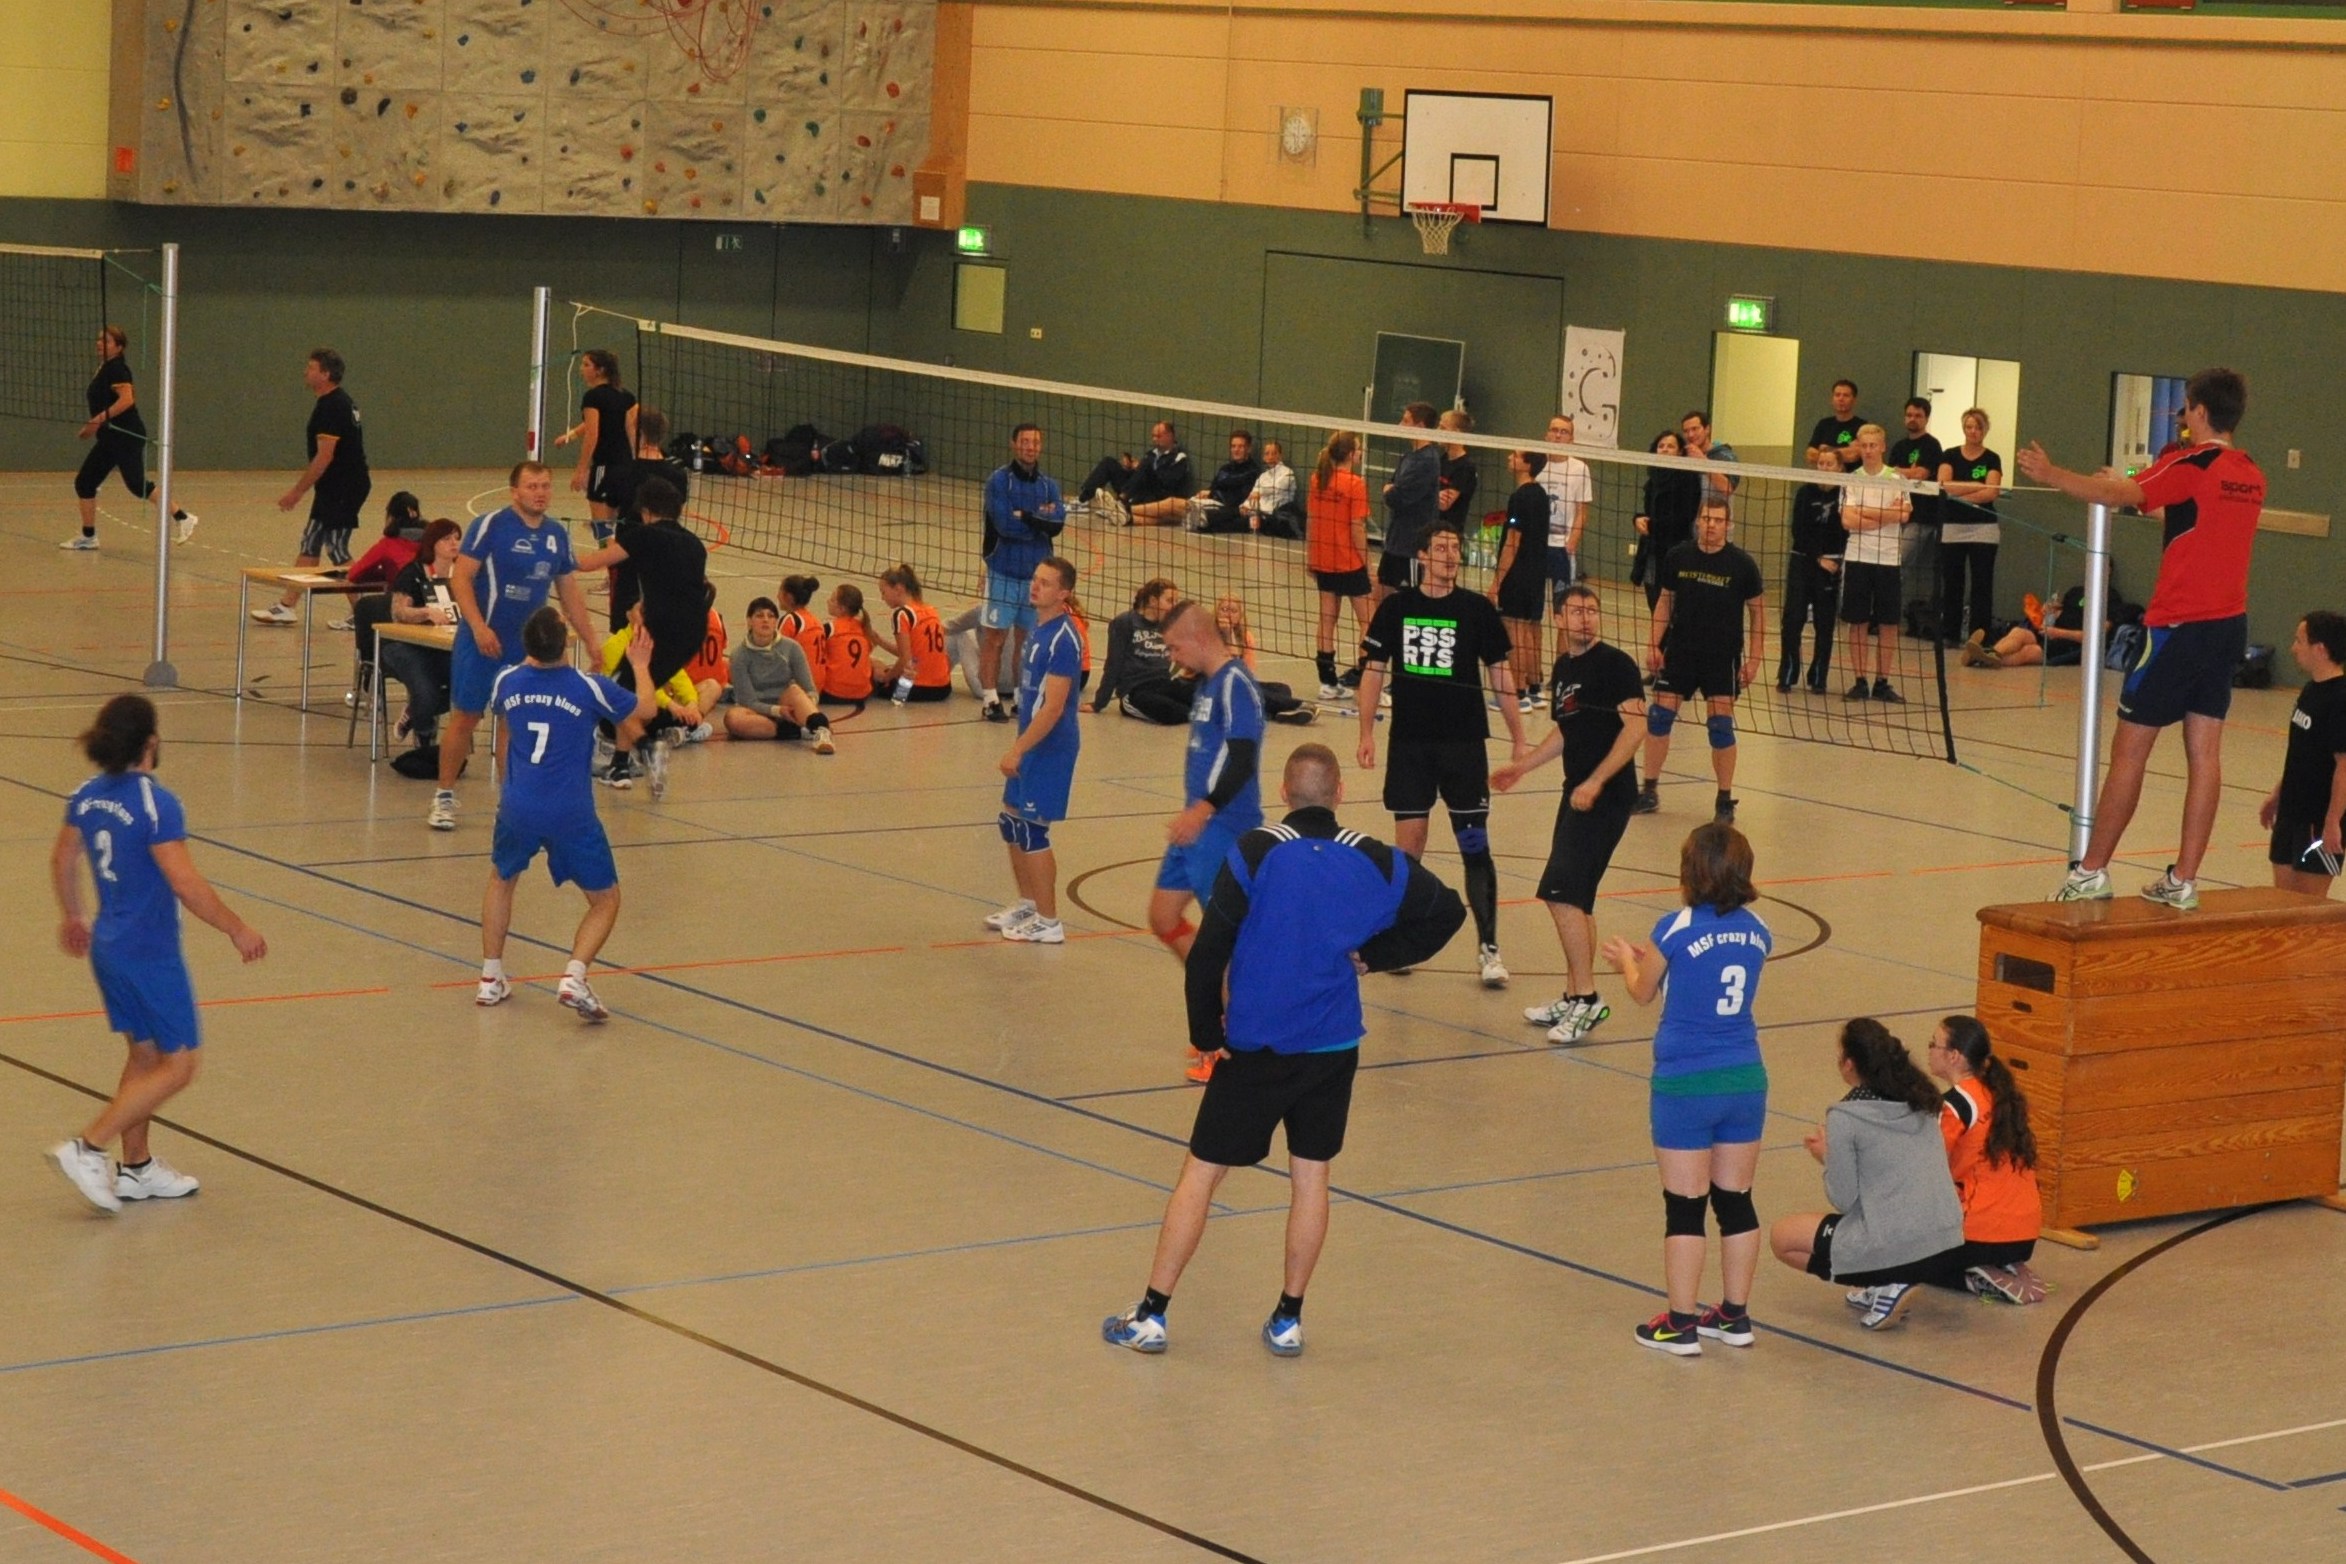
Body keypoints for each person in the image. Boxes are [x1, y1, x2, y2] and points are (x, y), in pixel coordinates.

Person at [1101, 744, 1466, 1357]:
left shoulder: (1255, 851)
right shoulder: (1375, 858)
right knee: (1311, 1178)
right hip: (1332, 1045)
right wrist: (1377, 956)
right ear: (1340, 792)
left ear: (1284, 791)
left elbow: (1209, 953)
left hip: (1257, 1046)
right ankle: (1289, 1318)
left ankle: (1153, 1314)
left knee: (1201, 1175)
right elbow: (1448, 912)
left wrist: (1208, 1040)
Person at [2023, 368, 2264, 910]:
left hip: (2178, 627)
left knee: (2129, 751)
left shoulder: (2191, 462)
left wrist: (2052, 472)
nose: (2182, 417)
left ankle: (2091, 871)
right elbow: (2183, 516)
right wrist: (2139, 491)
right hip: (2228, 627)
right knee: (2205, 756)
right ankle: (2184, 880)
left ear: (2199, 411)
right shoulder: (2248, 473)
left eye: (2185, 409)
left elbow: (2118, 492)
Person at [46, 695, 267, 1213]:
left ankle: (138, 1169)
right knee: (180, 1064)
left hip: (109, 946)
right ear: (150, 742)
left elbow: (63, 858)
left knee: (144, 1056)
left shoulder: (87, 796)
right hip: (149, 951)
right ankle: (87, 1147)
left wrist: (74, 915)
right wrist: (236, 929)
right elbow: (186, 883)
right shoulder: (155, 802)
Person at [1601, 823, 1771, 1355]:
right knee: (1736, 1201)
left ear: (1688, 873)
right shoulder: (1760, 930)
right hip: (1746, 1076)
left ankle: (1680, 1322)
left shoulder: (1673, 928)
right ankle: (1735, 1317)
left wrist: (1630, 959)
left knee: (1685, 1206)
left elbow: (1643, 992)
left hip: (1685, 1082)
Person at [1357, 522, 1525, 989]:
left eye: (1457, 547)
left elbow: (1501, 676)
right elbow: (1373, 672)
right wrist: (1365, 731)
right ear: (1423, 555)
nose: (1451, 555)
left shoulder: (1477, 609)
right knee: (1408, 850)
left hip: (1464, 747)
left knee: (1475, 847)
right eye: (1443, 548)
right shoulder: (1396, 607)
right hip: (1410, 746)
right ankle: (1399, 942)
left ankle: (1489, 948)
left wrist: (1518, 737)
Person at [477, 607, 656, 1022]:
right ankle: (575, 975)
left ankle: (490, 978)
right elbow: (644, 711)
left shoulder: (506, 682)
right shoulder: (587, 687)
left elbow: (503, 739)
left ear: (527, 645)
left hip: (517, 805)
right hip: (569, 811)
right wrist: (641, 665)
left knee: (502, 880)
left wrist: (508, 789)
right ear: (566, 642)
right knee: (605, 899)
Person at [1494, 584, 1646, 1044]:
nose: (1585, 618)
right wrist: (1522, 767)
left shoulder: (1615, 666)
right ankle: (1573, 994)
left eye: (1592, 611)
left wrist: (1597, 781)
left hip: (1604, 795)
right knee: (1576, 898)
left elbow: (1637, 727)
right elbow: (1566, 729)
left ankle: (1586, 1000)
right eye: (1577, 611)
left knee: (1560, 892)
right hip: (1576, 791)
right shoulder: (1564, 668)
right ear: (1558, 619)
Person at [1768, 1018, 1968, 1332]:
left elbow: (1845, 1199)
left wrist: (1828, 1157)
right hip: (1948, 1240)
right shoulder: (1923, 1098)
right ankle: (1882, 1283)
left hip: (1902, 1245)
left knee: (1783, 1237)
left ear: (1849, 1064)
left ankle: (1885, 1281)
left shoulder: (1846, 1117)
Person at [429, 461, 596, 832]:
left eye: (545, 486)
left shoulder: (556, 535)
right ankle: (443, 795)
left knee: (512, 721)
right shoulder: (491, 525)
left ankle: (510, 803)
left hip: (526, 648)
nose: (540, 493)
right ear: (515, 492)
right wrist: (478, 627)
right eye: (532, 486)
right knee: (467, 717)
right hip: (483, 640)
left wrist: (591, 641)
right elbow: (461, 578)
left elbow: (568, 591)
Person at [1149, 602, 1267, 1081]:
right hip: (1195, 824)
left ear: (1198, 638)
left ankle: (1227, 1043)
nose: (1173, 656)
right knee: (1163, 917)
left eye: (1176, 646)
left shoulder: (1236, 684)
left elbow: (1242, 757)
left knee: (1219, 942)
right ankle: (1218, 1008)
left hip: (1219, 825)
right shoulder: (1208, 682)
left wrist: (1204, 809)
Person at [1635, 498, 1765, 824]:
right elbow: (1664, 602)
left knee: (1720, 727)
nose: (1711, 525)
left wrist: (1755, 659)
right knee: (1659, 718)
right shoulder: (1679, 556)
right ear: (1697, 521)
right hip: (1680, 651)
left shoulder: (1742, 565)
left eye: (1718, 520)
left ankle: (1724, 799)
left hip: (1722, 656)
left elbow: (1758, 614)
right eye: (1706, 518)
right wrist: (1653, 643)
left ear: (1728, 525)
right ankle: (1649, 790)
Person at [575, 476, 705, 787]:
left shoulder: (643, 536)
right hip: (692, 633)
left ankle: (647, 748)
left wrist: (551, 552)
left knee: (617, 694)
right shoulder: (695, 545)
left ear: (645, 511)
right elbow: (678, 587)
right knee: (632, 693)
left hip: (658, 631)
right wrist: (640, 608)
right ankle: (620, 766)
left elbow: (591, 563)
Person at [986, 557, 1085, 944]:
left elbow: (1055, 706)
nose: (1035, 586)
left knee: (1032, 830)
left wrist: (1019, 750)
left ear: (1064, 593)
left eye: (1045, 583)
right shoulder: (1038, 630)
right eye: (1035, 579)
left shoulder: (1064, 638)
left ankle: (1049, 921)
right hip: (1030, 743)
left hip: (1050, 748)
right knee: (1010, 821)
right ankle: (1028, 902)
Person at [1926, 1016, 2046, 1305]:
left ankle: (1973, 1278)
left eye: (1934, 1044)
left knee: (1910, 1259)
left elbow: (1928, 1170)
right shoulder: (2002, 1095)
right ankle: (2005, 1263)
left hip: (1981, 1233)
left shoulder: (1955, 1105)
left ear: (1953, 1056)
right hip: (2025, 1233)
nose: (1929, 1050)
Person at [255, 348, 371, 624]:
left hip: (344, 487)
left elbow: (325, 455)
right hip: (335, 486)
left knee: (336, 547)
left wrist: (297, 492)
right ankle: (287, 605)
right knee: (311, 541)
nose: (305, 372)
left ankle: (364, 612)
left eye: (311, 367)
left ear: (326, 374)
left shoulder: (333, 406)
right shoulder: (334, 402)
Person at [62, 324, 196, 550]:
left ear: (119, 347)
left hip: (126, 435)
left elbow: (127, 401)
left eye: (106, 341)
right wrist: (97, 425)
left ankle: (183, 517)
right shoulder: (105, 368)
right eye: (99, 339)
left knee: (136, 485)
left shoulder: (117, 369)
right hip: (109, 438)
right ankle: (88, 537)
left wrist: (98, 419)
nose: (99, 343)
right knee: (85, 482)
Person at [978, 424, 1065, 719]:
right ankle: (990, 700)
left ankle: (1021, 697)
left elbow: (1058, 525)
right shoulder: (999, 482)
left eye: (1035, 442)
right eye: (1025, 441)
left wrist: (1026, 516)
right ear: (1014, 444)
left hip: (1036, 579)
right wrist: (1040, 520)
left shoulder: (1048, 485)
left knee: (1026, 642)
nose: (1030, 447)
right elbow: (1005, 526)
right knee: (995, 639)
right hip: (1003, 572)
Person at [2262, 610, 2346, 895]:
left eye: (2299, 641)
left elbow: (2344, 767)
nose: (2293, 648)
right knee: (2281, 903)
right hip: (2290, 814)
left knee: (2307, 911)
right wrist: (2279, 793)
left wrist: (2333, 821)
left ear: (2320, 649)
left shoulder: (2340, 699)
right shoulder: (2310, 690)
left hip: (2317, 820)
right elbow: (2302, 753)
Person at [597, 605, 708, 798]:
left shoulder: (657, 642)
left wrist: (691, 703)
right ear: (628, 615)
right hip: (620, 715)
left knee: (710, 687)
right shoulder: (616, 644)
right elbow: (632, 689)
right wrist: (670, 704)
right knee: (625, 699)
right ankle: (646, 746)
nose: (643, 617)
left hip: (640, 709)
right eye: (639, 611)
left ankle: (632, 756)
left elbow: (677, 675)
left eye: (645, 612)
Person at [1837, 425, 1913, 703]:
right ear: (1859, 447)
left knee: (1888, 623)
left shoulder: (1897, 478)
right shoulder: (1852, 479)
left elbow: (1904, 514)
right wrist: (1886, 514)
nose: (1868, 450)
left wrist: (1866, 514)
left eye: (1873, 445)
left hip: (1889, 560)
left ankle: (1883, 681)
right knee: (1857, 622)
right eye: (1864, 445)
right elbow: (1847, 520)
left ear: (1883, 447)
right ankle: (1860, 681)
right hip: (1858, 557)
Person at [601, 408, 690, 631]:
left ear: (638, 432)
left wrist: (607, 546)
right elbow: (676, 513)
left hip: (628, 557)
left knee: (623, 626)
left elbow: (606, 517)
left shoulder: (622, 472)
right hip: (668, 555)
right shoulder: (677, 474)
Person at [380, 517, 462, 748]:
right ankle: (425, 741)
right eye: (447, 539)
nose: (454, 543)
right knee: (425, 690)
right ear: (432, 543)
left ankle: (414, 711)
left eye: (457, 538)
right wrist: (425, 613)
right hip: (405, 645)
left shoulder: (462, 575)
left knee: (469, 681)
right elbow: (399, 612)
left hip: (445, 645)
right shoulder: (413, 572)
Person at [1307, 432, 1374, 699]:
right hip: (1348, 560)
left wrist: (1310, 556)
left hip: (1323, 558)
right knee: (1369, 620)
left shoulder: (1317, 479)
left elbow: (1311, 519)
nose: (1360, 453)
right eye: (1358, 449)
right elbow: (1357, 527)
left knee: (1327, 619)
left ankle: (1327, 683)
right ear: (1349, 454)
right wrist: (1367, 562)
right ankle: (1367, 681)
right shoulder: (1355, 483)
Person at [724, 596, 835, 754]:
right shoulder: (739, 655)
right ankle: (794, 730)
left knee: (796, 691)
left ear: (776, 622)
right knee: (732, 719)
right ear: (749, 621)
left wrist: (807, 706)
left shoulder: (791, 647)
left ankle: (820, 730)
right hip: (758, 711)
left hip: (787, 704)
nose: (765, 620)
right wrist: (777, 711)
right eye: (759, 616)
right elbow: (747, 701)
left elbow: (810, 689)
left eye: (771, 616)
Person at [1778, 444, 1846, 692]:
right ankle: (1787, 672)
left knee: (1825, 623)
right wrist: (1818, 558)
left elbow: (1845, 533)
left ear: (1840, 469)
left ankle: (1818, 677)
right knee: (1793, 619)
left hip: (1831, 565)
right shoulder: (1805, 493)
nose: (1824, 468)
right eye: (1821, 463)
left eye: (1829, 464)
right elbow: (1799, 531)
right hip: (1803, 560)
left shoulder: (1845, 494)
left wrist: (1835, 561)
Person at [553, 348, 638, 539]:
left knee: (602, 529)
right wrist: (571, 435)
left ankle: (610, 561)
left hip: (604, 467)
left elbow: (593, 433)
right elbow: (631, 431)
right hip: (626, 467)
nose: (581, 369)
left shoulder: (592, 397)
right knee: (618, 525)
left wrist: (581, 470)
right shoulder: (626, 396)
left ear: (599, 370)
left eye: (586, 365)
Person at [1935, 409, 2004, 644]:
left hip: (1983, 529)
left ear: (1985, 430)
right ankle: (1950, 633)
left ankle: (1979, 637)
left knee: (1982, 584)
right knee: (1953, 582)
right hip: (1953, 527)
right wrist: (1975, 484)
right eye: (1969, 427)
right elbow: (1945, 484)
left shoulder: (1992, 458)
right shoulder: (1950, 455)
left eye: (1978, 427)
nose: (1973, 431)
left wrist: (1961, 494)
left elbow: (1990, 492)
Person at [1490, 449, 1552, 703]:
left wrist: (1496, 583)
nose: (1508, 458)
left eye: (1514, 456)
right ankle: (1533, 687)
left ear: (1527, 465)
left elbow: (1512, 542)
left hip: (1518, 573)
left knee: (1513, 629)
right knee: (1528, 629)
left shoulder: (1520, 497)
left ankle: (1517, 692)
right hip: (1537, 572)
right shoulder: (1541, 494)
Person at [1090, 578, 1188, 722]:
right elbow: (1113, 665)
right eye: (1170, 601)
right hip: (1135, 690)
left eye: (1176, 602)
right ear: (1153, 601)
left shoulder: (1170, 625)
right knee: (1170, 711)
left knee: (1198, 694)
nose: (1174, 607)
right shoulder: (1125, 622)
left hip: (1162, 684)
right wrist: (1098, 704)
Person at [1630, 430, 1703, 613]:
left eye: (1670, 446)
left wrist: (1653, 526)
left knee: (1674, 608)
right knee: (1654, 603)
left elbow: (1686, 516)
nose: (1664, 450)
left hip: (1676, 551)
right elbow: (1648, 513)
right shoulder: (1652, 480)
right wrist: (1638, 519)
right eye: (1661, 446)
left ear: (1679, 452)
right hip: (1652, 551)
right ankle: (1659, 642)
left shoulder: (1689, 478)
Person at [1375, 402, 1442, 604]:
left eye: (1405, 421)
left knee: (1414, 603)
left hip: (1411, 546)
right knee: (1379, 599)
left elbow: (1396, 497)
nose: (1400, 425)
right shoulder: (1409, 456)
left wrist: (1390, 491)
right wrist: (1390, 489)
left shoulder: (1427, 460)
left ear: (1420, 426)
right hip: (1395, 543)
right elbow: (1390, 484)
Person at [875, 563, 953, 702]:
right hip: (944, 688)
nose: (882, 598)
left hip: (916, 689)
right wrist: (879, 641)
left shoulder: (901, 615)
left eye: (883, 592)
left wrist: (887, 678)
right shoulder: (930, 610)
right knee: (889, 669)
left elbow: (906, 660)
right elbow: (915, 653)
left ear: (898, 589)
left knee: (875, 669)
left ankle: (897, 692)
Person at [1539, 414, 1594, 606]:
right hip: (1535, 544)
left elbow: (1582, 511)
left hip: (1562, 547)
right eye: (1554, 430)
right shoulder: (1536, 464)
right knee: (1533, 607)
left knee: (1562, 607)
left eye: (1564, 432)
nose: (1558, 435)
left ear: (1571, 439)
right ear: (1546, 435)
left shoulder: (1580, 469)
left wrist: (1571, 544)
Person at [1105, 422, 1194, 528]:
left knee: (1146, 464)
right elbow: (1140, 476)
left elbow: (1169, 481)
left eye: (1159, 436)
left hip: (1164, 495)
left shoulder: (1179, 457)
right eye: (1153, 436)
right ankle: (1085, 499)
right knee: (1108, 462)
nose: (1155, 439)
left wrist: (1145, 468)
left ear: (1170, 436)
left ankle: (1122, 501)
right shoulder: (1150, 454)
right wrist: (1132, 467)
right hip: (1146, 493)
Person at [1888, 396, 1943, 552]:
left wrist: (1901, 471)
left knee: (1902, 558)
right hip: (1898, 512)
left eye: (1918, 416)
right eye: (1909, 415)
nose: (1912, 419)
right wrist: (1907, 472)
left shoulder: (1932, 445)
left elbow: (1921, 474)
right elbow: (1890, 475)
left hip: (1922, 516)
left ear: (1926, 419)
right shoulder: (1899, 446)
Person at [345, 491, 427, 588]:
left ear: (391, 517)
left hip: (404, 597)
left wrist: (386, 573)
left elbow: (354, 574)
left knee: (365, 603)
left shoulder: (387, 544)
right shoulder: (436, 540)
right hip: (434, 593)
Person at [1186, 429, 1262, 533]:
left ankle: (1199, 519)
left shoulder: (1253, 472)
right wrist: (1206, 493)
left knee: (1175, 505)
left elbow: (1238, 497)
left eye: (1240, 446)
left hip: (1227, 509)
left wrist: (1212, 493)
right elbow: (1214, 487)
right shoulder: (1225, 469)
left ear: (1248, 449)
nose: (1236, 450)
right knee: (1180, 506)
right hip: (1211, 503)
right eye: (1233, 446)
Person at [817, 583, 878, 705]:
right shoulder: (864, 627)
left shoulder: (830, 628)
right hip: (862, 694)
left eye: (832, 599)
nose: (828, 601)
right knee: (874, 664)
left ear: (842, 608)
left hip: (832, 693)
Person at [1240, 439, 1301, 538]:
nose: (1270, 457)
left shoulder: (1288, 473)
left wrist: (1260, 493)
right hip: (1257, 516)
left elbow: (1276, 488)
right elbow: (1253, 493)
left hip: (1275, 516)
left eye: (1274, 453)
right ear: (1264, 457)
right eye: (1267, 454)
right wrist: (1245, 506)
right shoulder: (1263, 476)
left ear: (1280, 456)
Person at [1436, 409, 1480, 535]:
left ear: (1456, 433)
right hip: (1432, 529)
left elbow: (1443, 504)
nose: (1437, 431)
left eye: (1442, 428)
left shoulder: (1466, 467)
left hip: (1448, 534)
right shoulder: (1442, 459)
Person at [1806, 378, 1866, 470]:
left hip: (1850, 480)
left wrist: (1826, 450)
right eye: (1837, 395)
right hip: (1823, 479)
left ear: (1854, 400)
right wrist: (1843, 452)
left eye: (1846, 395)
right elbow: (1810, 455)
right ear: (1832, 399)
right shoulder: (1823, 424)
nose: (1841, 399)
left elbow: (1854, 455)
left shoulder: (1862, 426)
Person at [778, 575, 827, 672]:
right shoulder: (815, 621)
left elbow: (778, 657)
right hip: (818, 683)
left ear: (788, 597)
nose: (777, 596)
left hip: (801, 683)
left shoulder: (791, 620)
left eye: (780, 592)